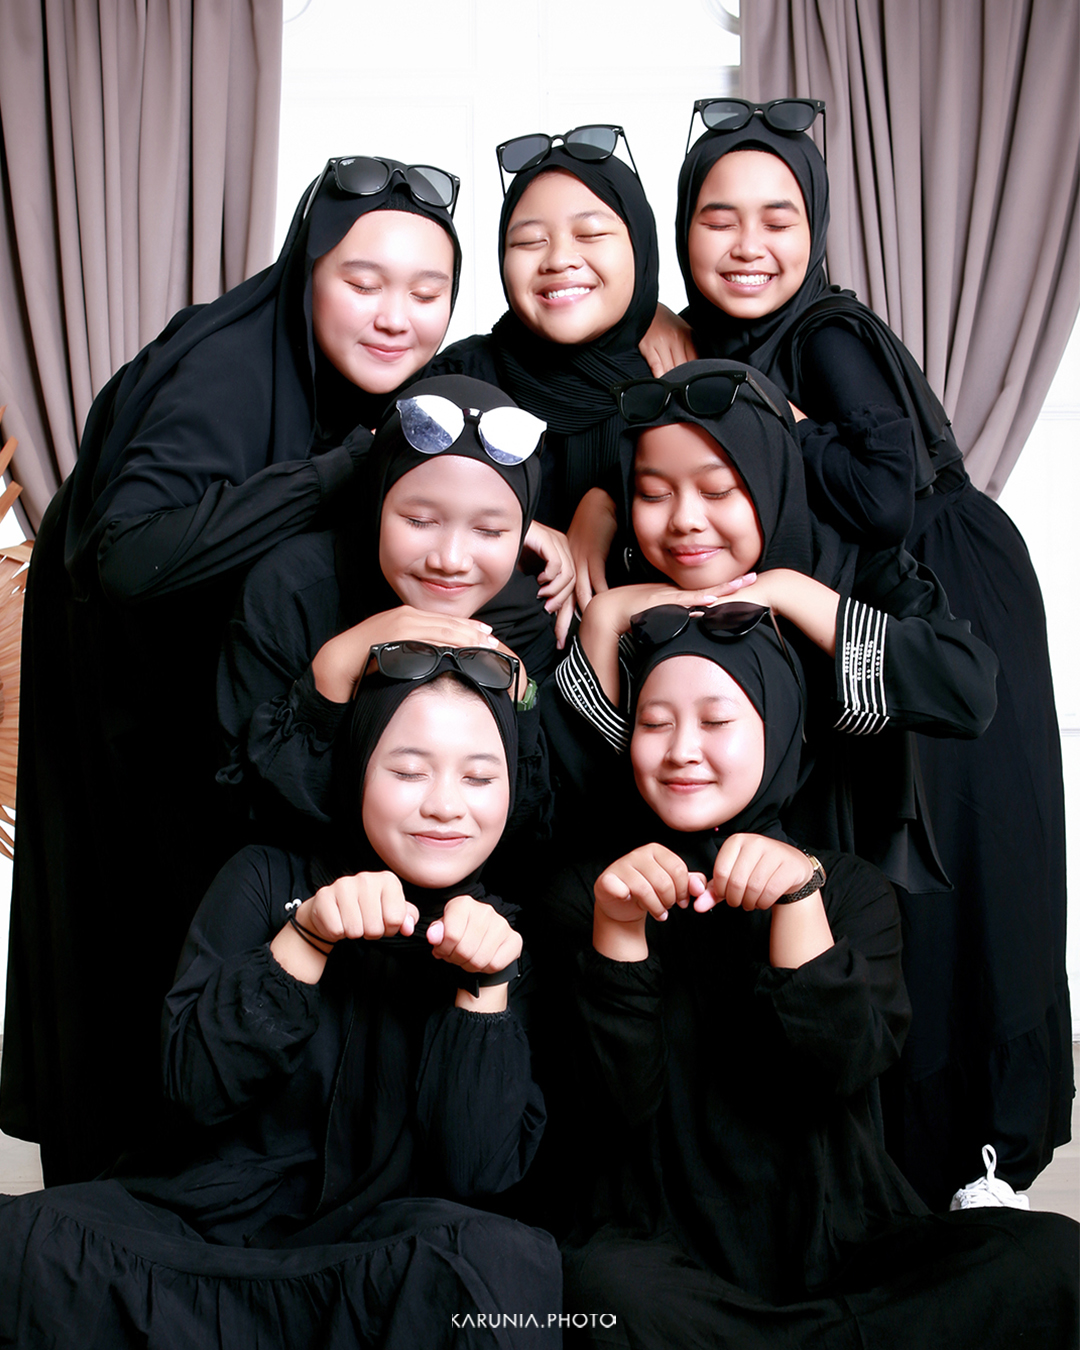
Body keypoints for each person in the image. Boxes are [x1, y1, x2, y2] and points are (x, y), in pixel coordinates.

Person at [2, 156, 475, 1184]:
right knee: (138, 1014)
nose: (396, 316)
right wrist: (336, 473)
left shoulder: (351, 380)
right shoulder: (225, 366)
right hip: (129, 745)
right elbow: (125, 556)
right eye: (363, 281)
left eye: (426, 291)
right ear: (307, 272)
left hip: (201, 728)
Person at [670, 108, 1071, 1209]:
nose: (749, 245)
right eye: (718, 219)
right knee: (893, 869)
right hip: (891, 594)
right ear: (682, 231)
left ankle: (980, 1156)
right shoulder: (740, 340)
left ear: (816, 231)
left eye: (778, 219)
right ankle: (913, 1149)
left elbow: (885, 498)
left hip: (946, 590)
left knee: (959, 862)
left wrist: (768, 417)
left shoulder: (824, 334)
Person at [548, 612, 1078, 1349]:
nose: (681, 750)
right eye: (654, 723)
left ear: (778, 731)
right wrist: (619, 933)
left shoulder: (849, 887)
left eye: (716, 721)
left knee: (1054, 1260)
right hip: (666, 1255)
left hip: (847, 1248)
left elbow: (840, 1069)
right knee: (593, 1293)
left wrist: (800, 902)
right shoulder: (591, 893)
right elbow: (612, 1111)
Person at [0, 656, 562, 1348]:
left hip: (367, 1278)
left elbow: (475, 1174)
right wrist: (304, 940)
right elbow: (193, 1092)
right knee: (24, 1241)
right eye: (409, 772)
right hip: (198, 1250)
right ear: (357, 768)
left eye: (478, 778)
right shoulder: (264, 878)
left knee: (500, 1264)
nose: (446, 805)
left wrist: (486, 988)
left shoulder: (506, 939)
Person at [549, 360, 998, 891]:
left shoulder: (855, 564)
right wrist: (603, 621)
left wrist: (789, 592)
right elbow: (589, 788)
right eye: (653, 494)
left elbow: (968, 692)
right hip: (653, 886)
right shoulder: (621, 573)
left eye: (718, 491)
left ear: (774, 478)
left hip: (825, 876)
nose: (685, 520)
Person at [218, 374, 555, 858]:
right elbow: (240, 802)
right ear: (376, 503)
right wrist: (332, 675)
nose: (451, 560)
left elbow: (529, 838)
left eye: (489, 531)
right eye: (419, 521)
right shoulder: (289, 589)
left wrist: (523, 704)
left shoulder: (527, 616)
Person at [430, 128, 660, 548]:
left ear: (641, 247)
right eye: (529, 241)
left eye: (590, 234)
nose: (558, 260)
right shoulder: (457, 380)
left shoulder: (683, 384)